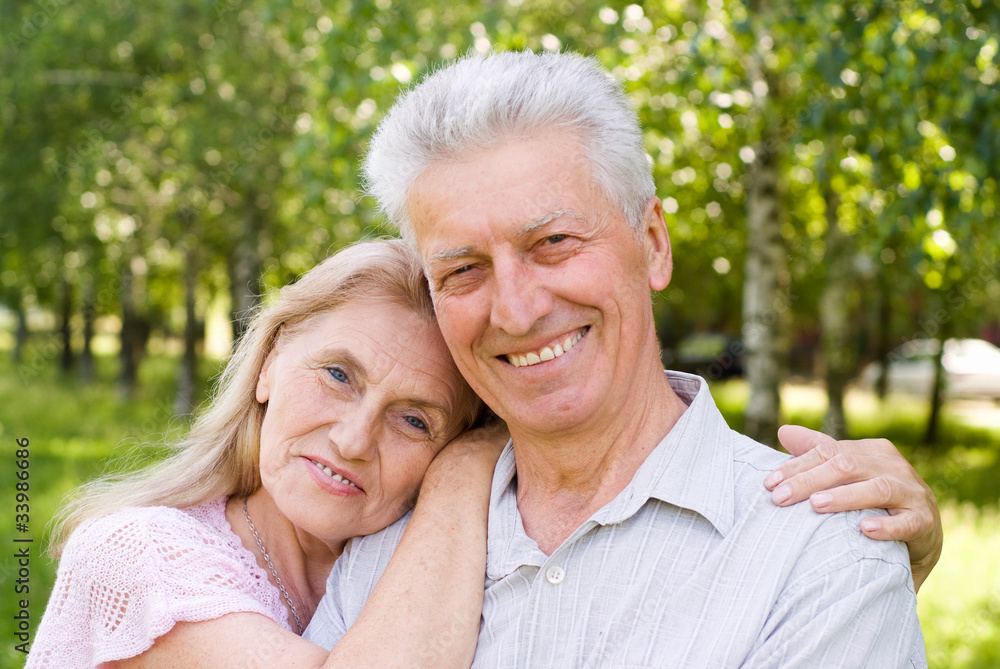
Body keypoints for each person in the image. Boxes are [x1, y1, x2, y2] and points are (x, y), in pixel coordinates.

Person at [306, 50, 930, 667]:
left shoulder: (823, 560)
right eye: (463, 270)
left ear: (653, 244)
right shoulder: (380, 549)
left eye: (554, 242)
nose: (516, 314)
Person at [27, 240, 506, 668]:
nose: (353, 441)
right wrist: (468, 468)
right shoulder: (137, 554)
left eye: (414, 420)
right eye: (338, 375)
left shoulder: (434, 567)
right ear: (270, 366)